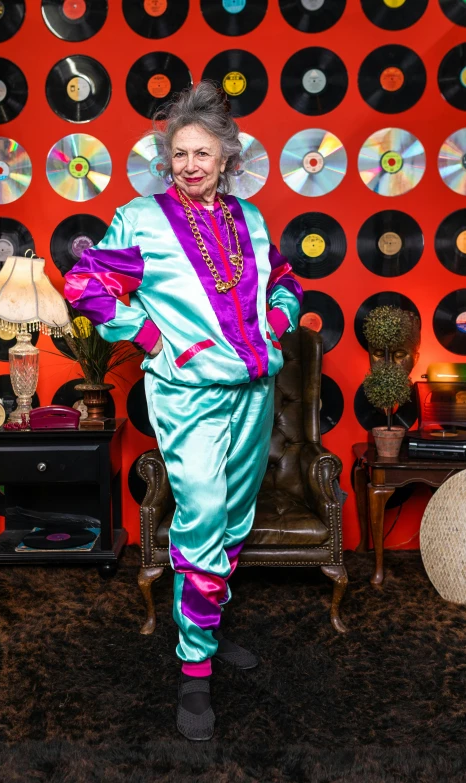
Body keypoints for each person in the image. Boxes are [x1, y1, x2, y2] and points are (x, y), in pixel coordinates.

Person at [64, 81, 304, 741]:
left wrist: (277, 324)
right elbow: (87, 283)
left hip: (254, 392)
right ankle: (195, 672)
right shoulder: (139, 219)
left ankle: (209, 627)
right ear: (167, 158)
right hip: (189, 397)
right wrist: (154, 338)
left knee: (232, 519)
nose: (190, 165)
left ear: (227, 158)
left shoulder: (249, 221)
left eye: (202, 153)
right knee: (199, 513)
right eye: (179, 153)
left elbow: (285, 282)